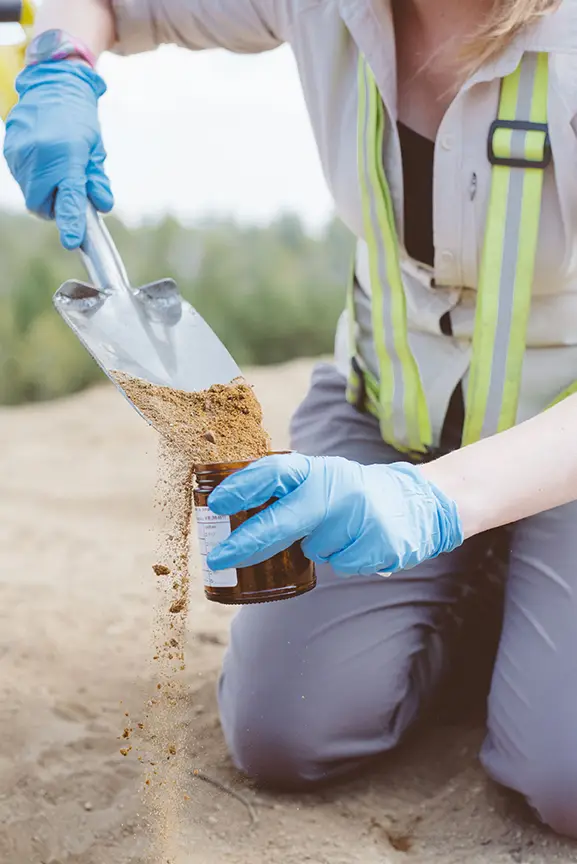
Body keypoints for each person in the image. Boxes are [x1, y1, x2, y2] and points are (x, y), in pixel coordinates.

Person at [4, 0, 577, 840]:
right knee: (287, 734)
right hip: (385, 416)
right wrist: (61, 63)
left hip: (557, 458)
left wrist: (431, 503)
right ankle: (478, 602)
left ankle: (505, 577)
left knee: (562, 778)